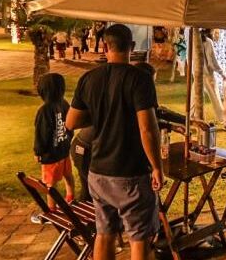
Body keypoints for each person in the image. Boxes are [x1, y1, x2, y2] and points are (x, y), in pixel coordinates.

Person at [65, 24, 162, 260]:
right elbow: (147, 129)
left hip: (98, 172)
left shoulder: (89, 78)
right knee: (139, 236)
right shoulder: (140, 79)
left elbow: (71, 122)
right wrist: (157, 167)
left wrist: (102, 113)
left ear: (105, 46)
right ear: (132, 46)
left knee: (104, 233)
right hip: (131, 173)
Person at [33, 73, 75, 222]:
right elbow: (70, 126)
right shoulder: (64, 104)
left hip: (50, 155)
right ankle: (71, 198)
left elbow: (42, 134)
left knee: (49, 184)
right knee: (68, 175)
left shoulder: (44, 110)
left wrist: (38, 152)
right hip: (64, 150)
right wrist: (67, 140)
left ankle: (51, 211)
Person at [200, 29, 226, 123]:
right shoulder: (208, 42)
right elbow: (212, 62)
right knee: (215, 96)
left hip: (197, 72)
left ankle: (193, 116)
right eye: (214, 31)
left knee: (195, 96)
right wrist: (221, 72)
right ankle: (222, 117)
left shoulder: (195, 41)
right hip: (207, 73)